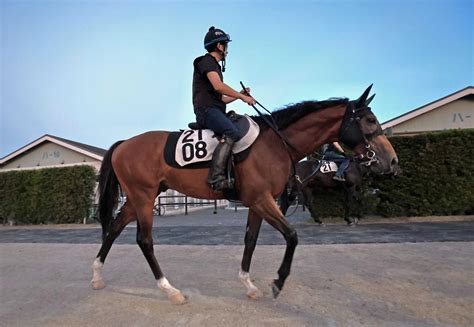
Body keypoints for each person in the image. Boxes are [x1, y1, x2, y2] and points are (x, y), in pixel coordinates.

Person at [192, 26, 256, 191]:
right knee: (232, 132)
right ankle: (216, 178)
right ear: (220, 46)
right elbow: (218, 86)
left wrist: (238, 95)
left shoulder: (215, 67)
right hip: (206, 111)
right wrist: (243, 97)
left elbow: (222, 98)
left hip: (214, 109)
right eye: (226, 45)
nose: (227, 50)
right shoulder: (206, 61)